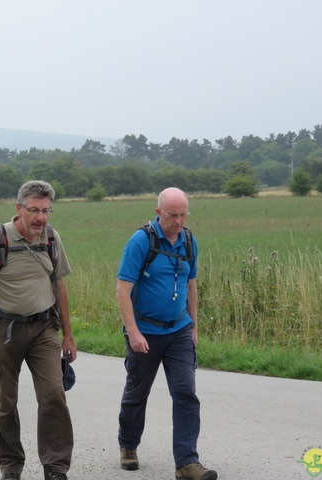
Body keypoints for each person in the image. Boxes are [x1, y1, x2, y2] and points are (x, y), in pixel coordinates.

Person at [0, 180, 76, 480]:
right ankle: (11, 466)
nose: (40, 217)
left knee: (53, 395)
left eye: (46, 210)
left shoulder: (50, 238)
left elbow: (59, 283)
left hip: (43, 329)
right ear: (18, 209)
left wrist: (68, 335)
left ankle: (56, 467)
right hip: (4, 330)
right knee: (5, 402)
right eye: (33, 210)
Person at [115, 187, 217, 480]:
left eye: (183, 214)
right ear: (159, 212)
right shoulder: (140, 241)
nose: (178, 221)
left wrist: (194, 326)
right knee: (137, 393)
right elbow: (123, 289)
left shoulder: (188, 240)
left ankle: (186, 462)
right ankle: (128, 444)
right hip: (145, 332)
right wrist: (133, 332)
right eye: (172, 215)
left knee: (186, 392)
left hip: (179, 331)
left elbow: (191, 284)